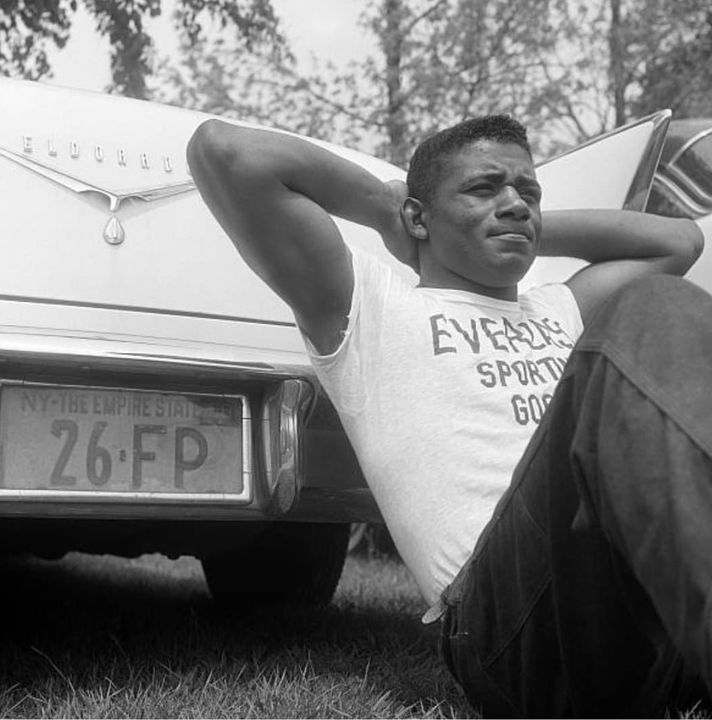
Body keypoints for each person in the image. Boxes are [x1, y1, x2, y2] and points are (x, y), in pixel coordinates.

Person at [187, 114, 709, 717]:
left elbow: (680, 241)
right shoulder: (370, 310)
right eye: (484, 188)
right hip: (511, 625)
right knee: (651, 310)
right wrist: (393, 213)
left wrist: (512, 221)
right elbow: (226, 152)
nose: (515, 204)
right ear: (418, 216)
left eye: (529, 193)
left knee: (672, 311)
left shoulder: (563, 307)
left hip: (643, 611)